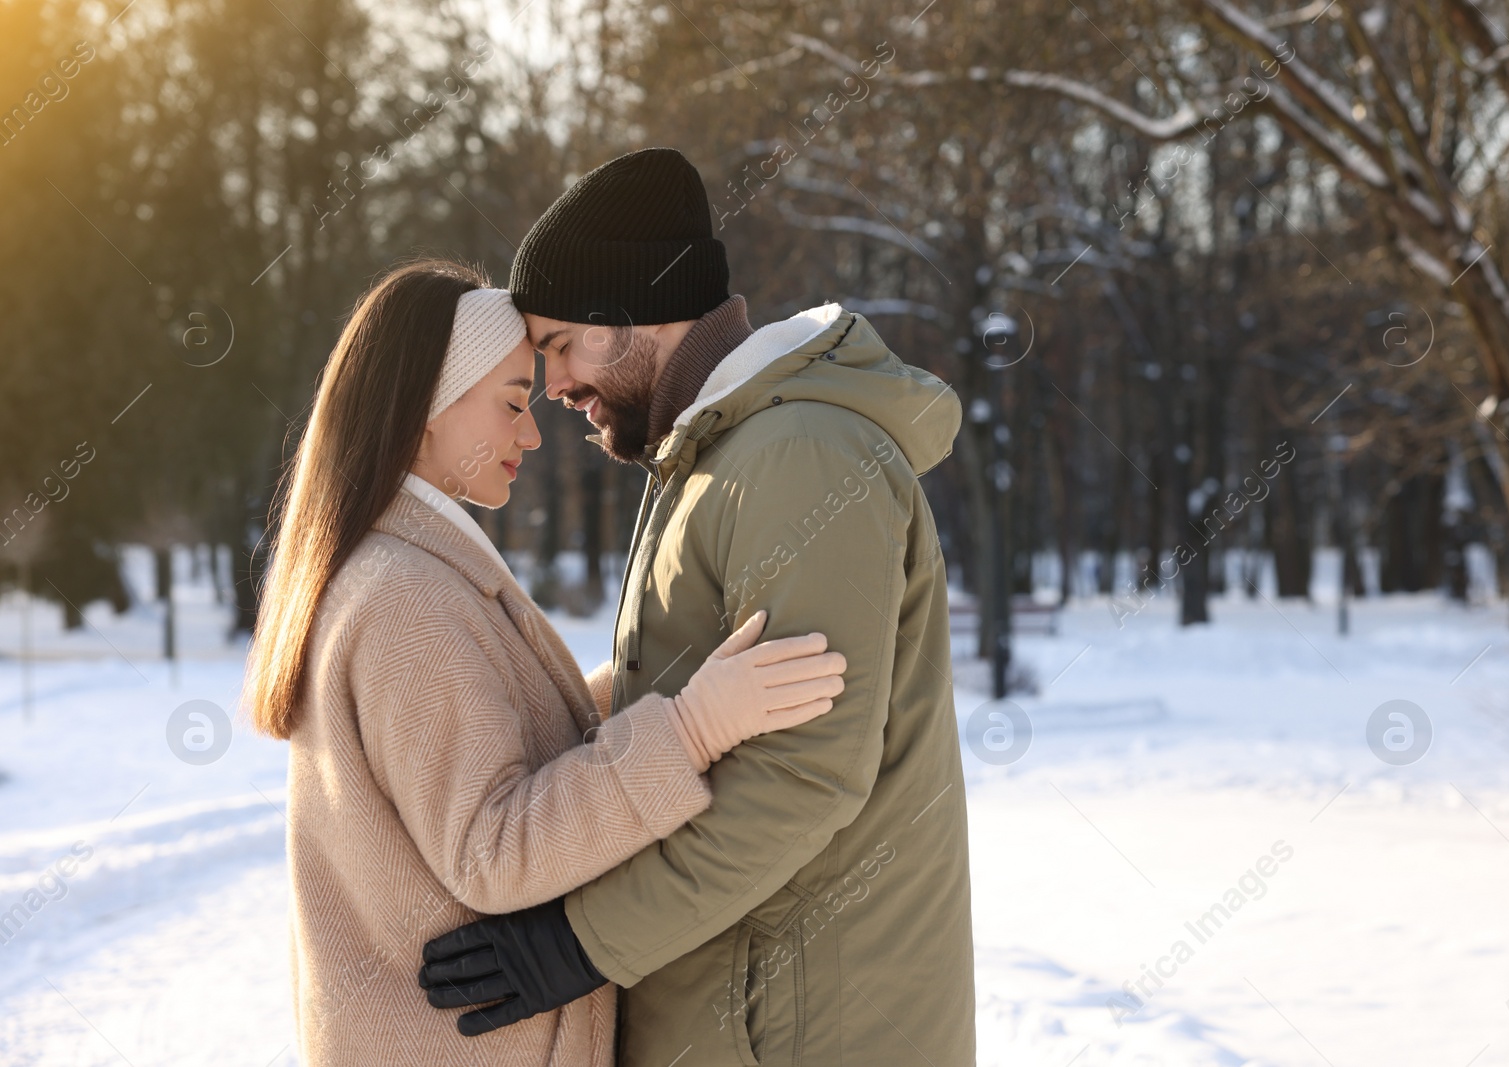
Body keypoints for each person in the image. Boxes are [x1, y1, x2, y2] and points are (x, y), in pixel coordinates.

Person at [419, 149, 976, 1066]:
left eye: (558, 344)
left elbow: (801, 778)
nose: (553, 387)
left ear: (624, 317)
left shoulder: (800, 457)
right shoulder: (712, 460)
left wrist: (578, 944)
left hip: (804, 1029)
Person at [241, 258, 847, 1066]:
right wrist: (695, 727)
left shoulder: (399, 566)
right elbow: (494, 848)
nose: (530, 432)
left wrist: (664, 678)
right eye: (509, 402)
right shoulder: (405, 597)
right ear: (427, 403)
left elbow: (507, 735)